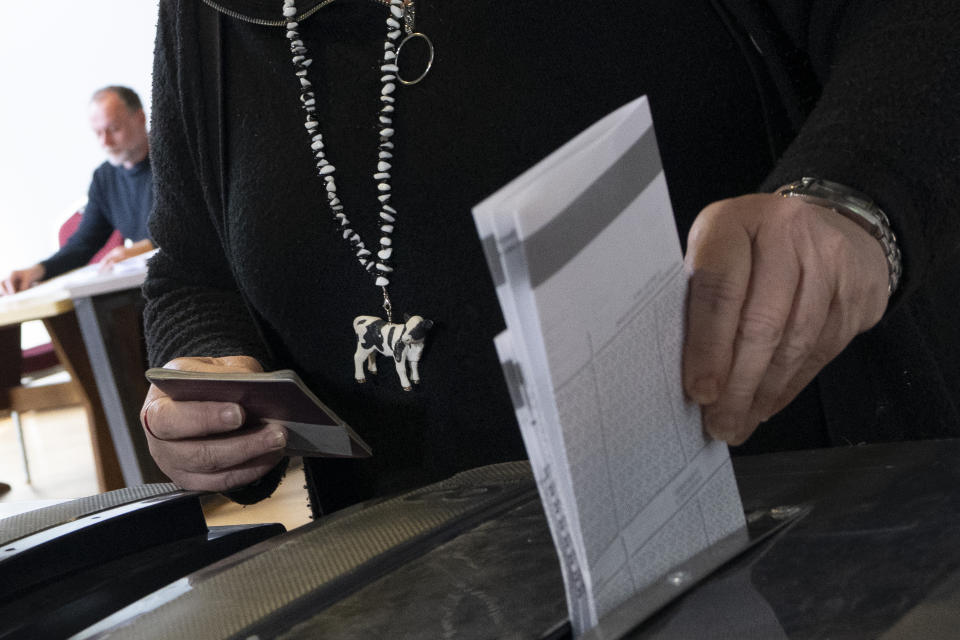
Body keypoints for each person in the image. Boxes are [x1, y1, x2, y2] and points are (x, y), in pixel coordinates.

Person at [139, 0, 960, 516]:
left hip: (809, 518)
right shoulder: (199, 24)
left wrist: (849, 200)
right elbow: (191, 266)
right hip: (423, 579)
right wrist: (201, 378)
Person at [1, 86, 155, 296]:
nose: (105, 142)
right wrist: (38, 270)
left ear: (140, 118)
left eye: (114, 129)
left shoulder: (173, 158)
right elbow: (83, 244)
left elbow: (195, 225)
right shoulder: (104, 178)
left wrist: (146, 247)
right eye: (98, 133)